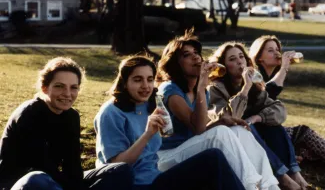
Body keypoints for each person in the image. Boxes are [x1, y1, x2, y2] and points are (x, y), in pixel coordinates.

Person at [94, 55, 245, 190]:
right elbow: (118, 166)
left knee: (213, 159)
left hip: (155, 178)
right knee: (213, 159)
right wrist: (147, 134)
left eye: (150, 79)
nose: (146, 86)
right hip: (133, 184)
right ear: (124, 82)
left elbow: (195, 128)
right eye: (137, 80)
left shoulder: (151, 104)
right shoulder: (111, 113)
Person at [156, 29, 279, 190]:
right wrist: (202, 87)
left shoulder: (200, 91)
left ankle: (270, 187)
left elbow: (202, 130)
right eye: (186, 55)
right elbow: (198, 128)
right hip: (167, 156)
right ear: (175, 64)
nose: (195, 57)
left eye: (196, 53)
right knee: (221, 133)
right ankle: (251, 186)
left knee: (238, 130)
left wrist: (221, 121)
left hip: (190, 147)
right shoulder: (170, 90)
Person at [0, 57, 133, 190]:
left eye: (74, 88)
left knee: (119, 170)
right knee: (37, 178)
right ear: (45, 87)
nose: (67, 94)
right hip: (21, 183)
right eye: (59, 86)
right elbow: (40, 164)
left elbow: (72, 164)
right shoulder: (29, 113)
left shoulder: (71, 116)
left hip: (53, 180)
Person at [208, 41, 307, 190]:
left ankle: (295, 174)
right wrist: (245, 88)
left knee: (273, 125)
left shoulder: (255, 85)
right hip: (232, 139)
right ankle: (283, 179)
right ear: (223, 67)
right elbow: (230, 117)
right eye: (232, 59)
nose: (239, 61)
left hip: (255, 133)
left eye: (241, 57)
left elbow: (278, 108)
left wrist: (258, 117)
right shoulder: (215, 89)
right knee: (247, 127)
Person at [250, 35, 325, 163]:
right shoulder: (254, 76)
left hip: (269, 129)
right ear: (259, 57)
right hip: (257, 132)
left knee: (304, 147)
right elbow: (267, 94)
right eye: (270, 50)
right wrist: (284, 67)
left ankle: (298, 156)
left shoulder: (272, 74)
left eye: (277, 49)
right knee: (304, 132)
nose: (277, 53)